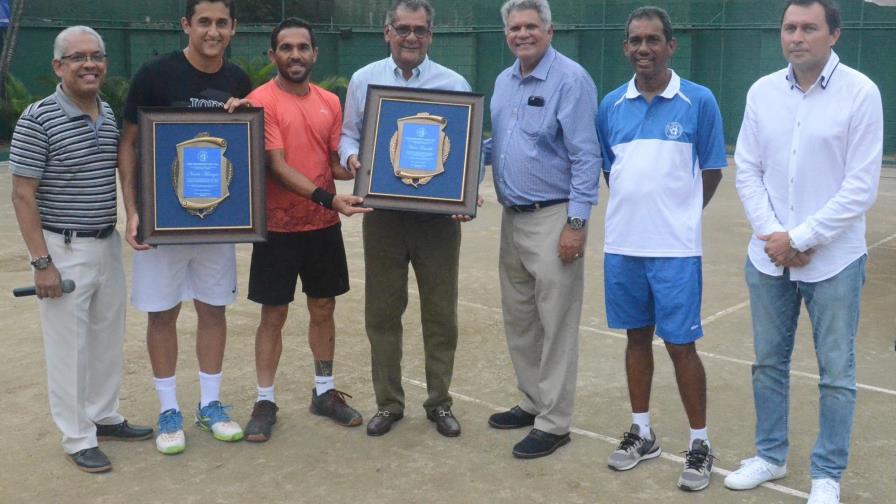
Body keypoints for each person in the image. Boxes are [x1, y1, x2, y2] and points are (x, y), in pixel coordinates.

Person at [726, 1, 882, 502]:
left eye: (809, 28)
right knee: (769, 363)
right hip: (768, 256)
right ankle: (770, 456)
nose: (797, 36)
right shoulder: (762, 92)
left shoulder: (861, 93)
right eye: (789, 27)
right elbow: (747, 169)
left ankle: (826, 475)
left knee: (836, 372)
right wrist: (776, 236)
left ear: (833, 35)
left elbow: (860, 188)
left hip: (834, 260)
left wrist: (801, 238)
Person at [9, 26, 153, 473]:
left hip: (104, 240)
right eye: (77, 58)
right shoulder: (37, 118)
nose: (89, 64)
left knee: (106, 337)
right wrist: (42, 263)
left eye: (96, 56)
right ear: (58, 66)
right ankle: (76, 436)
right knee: (68, 347)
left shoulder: (107, 113)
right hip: (62, 246)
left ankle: (103, 415)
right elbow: (22, 194)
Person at [596, 6, 726, 491]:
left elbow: (711, 170)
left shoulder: (699, 101)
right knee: (635, 340)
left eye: (653, 40)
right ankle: (643, 432)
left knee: (681, 345)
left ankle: (700, 443)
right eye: (635, 40)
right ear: (626, 47)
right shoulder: (610, 105)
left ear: (671, 45)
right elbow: (613, 171)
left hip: (675, 251)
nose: (643, 48)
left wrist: (681, 217)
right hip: (623, 247)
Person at [117, 0, 251, 455]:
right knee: (163, 313)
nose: (212, 31)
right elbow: (129, 146)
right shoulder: (154, 75)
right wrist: (133, 210)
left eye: (220, 23)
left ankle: (210, 405)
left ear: (233, 28)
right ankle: (169, 409)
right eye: (203, 22)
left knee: (214, 309)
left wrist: (244, 116)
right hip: (162, 225)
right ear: (186, 26)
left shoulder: (237, 80)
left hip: (217, 224)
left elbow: (242, 152)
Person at [338, 0, 472, 438]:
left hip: (437, 221)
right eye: (403, 29)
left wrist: (463, 193)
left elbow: (466, 147)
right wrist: (352, 156)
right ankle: (389, 403)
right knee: (382, 312)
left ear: (430, 35)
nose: (411, 37)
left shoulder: (453, 83)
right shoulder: (365, 79)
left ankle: (439, 403)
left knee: (440, 315)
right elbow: (349, 132)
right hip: (384, 214)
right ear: (387, 32)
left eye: (419, 29)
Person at [240, 17, 371, 443]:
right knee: (273, 314)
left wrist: (365, 168)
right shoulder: (260, 101)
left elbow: (332, 161)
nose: (295, 55)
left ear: (315, 53)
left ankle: (324, 392)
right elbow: (277, 167)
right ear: (272, 55)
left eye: (303, 48)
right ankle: (264, 400)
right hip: (278, 227)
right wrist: (330, 198)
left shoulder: (329, 101)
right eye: (286, 48)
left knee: (324, 308)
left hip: (322, 226)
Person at [485, 0, 600, 459]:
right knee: (520, 319)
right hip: (512, 217)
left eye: (532, 26)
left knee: (557, 324)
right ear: (507, 34)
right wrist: (451, 176)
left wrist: (576, 223)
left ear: (549, 31)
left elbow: (586, 156)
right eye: (515, 27)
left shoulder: (570, 79)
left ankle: (554, 422)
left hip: (554, 218)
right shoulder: (503, 81)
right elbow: (498, 144)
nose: (523, 33)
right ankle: (532, 401)